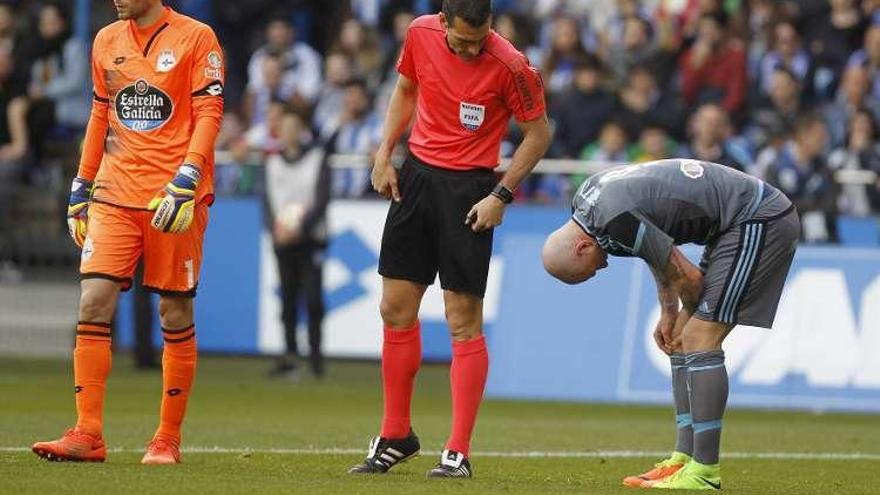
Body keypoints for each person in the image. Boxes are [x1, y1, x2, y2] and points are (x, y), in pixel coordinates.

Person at [348, 0, 550, 478]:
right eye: (461, 40)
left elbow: (538, 134)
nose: (470, 49)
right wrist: (384, 153)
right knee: (394, 308)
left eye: (479, 41)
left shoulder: (513, 65)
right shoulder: (418, 33)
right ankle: (396, 435)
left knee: (462, 318)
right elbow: (405, 89)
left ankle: (457, 451)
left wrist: (501, 194)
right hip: (416, 179)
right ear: (442, 23)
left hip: (470, 190)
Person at [31, 0, 223, 464]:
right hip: (114, 191)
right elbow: (102, 114)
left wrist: (189, 176)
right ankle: (87, 433)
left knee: (173, 311)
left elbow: (210, 112)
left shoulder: (197, 37)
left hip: (172, 197)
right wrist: (82, 181)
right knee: (93, 299)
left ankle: (166, 439)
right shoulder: (105, 40)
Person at [543, 159, 799, 490]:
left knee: (698, 337)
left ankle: (705, 471)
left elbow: (689, 278)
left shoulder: (612, 220)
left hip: (759, 218)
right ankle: (683, 458)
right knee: (682, 336)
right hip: (730, 225)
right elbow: (656, 250)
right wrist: (670, 312)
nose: (602, 266)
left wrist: (691, 319)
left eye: (592, 269)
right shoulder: (588, 202)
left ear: (582, 247)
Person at [264, 108, 329, 379]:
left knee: (313, 299)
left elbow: (322, 200)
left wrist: (299, 229)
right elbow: (266, 203)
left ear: (301, 129)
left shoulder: (316, 158)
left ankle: (315, 356)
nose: (288, 132)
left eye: (293, 126)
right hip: (283, 241)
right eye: (283, 126)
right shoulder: (272, 163)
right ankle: (290, 354)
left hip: (311, 240)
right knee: (288, 298)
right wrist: (275, 230)